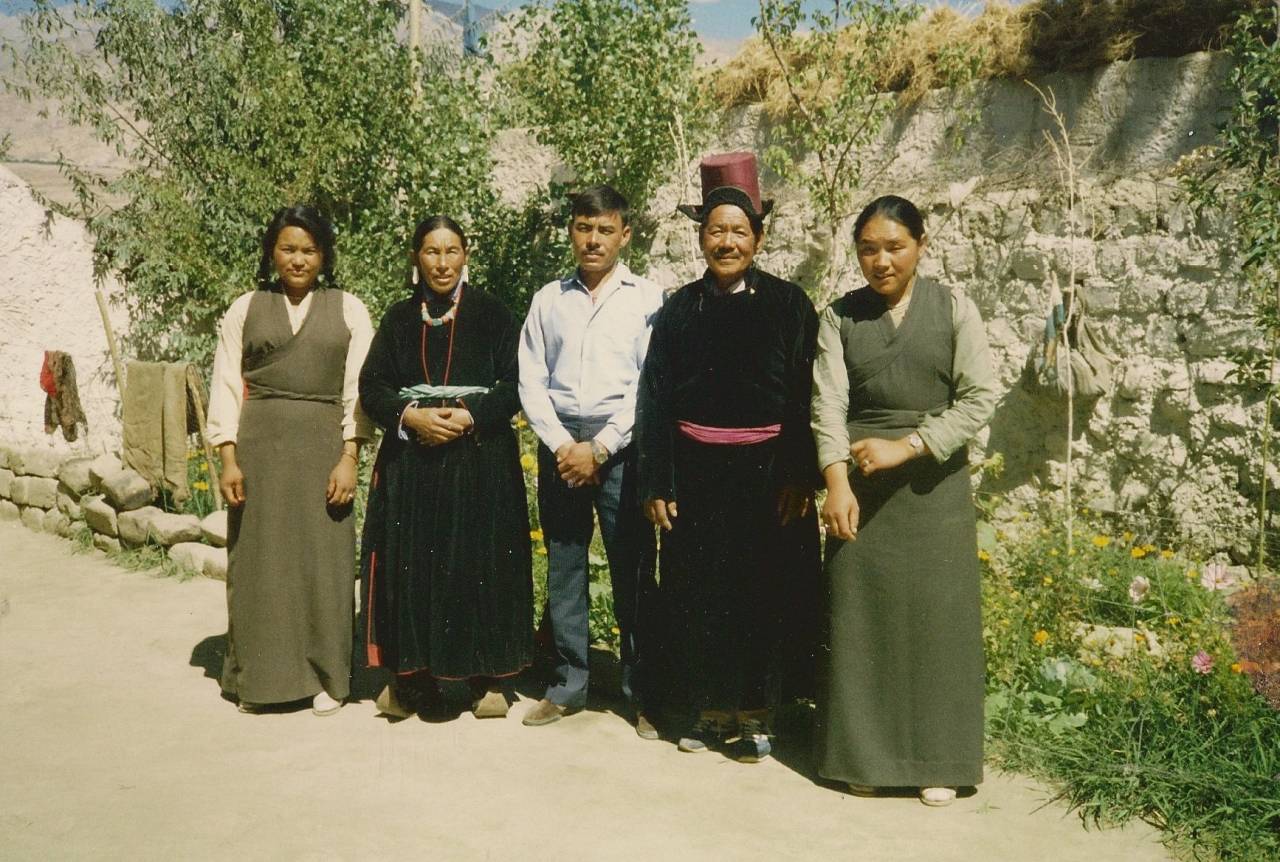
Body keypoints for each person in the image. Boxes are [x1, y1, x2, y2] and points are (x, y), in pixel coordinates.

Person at [811, 194, 998, 806]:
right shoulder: (840, 318)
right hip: (860, 490)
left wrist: (910, 445)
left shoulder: (954, 309)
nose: (881, 261)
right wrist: (836, 482)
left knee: (938, 625)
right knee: (863, 621)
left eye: (895, 246)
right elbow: (827, 406)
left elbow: (978, 399)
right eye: (868, 249)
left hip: (933, 485)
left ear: (920, 245)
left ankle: (939, 760)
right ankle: (864, 758)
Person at [636, 152, 821, 763]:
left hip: (769, 479)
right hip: (696, 476)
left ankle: (756, 713)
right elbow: (655, 397)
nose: (727, 241)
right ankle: (706, 711)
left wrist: (800, 473)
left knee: (764, 597)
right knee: (697, 595)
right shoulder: (678, 310)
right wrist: (657, 480)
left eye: (739, 231)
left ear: (759, 238)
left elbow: (804, 395)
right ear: (700, 238)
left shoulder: (791, 306)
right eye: (716, 230)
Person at [358, 215, 532, 720]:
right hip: (413, 465)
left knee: (480, 566)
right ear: (416, 257)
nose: (441, 262)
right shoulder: (396, 320)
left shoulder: (495, 315)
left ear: (466, 255)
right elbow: (373, 388)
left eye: (451, 251)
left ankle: (488, 679)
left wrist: (473, 414)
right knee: (414, 569)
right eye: (431, 251)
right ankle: (413, 681)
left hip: (480, 463)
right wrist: (411, 417)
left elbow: (518, 383)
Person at [208, 204, 374, 716]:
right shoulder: (245, 307)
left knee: (323, 565)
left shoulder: (348, 308)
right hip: (259, 452)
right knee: (261, 562)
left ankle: (327, 677)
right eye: (288, 248)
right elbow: (227, 387)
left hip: (324, 449)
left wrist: (350, 456)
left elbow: (358, 391)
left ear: (323, 255)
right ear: (272, 252)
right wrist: (228, 459)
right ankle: (260, 679)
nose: (297, 259)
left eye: (308, 250)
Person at [517, 185, 664, 737]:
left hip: (621, 445)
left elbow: (648, 383)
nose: (593, 239)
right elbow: (531, 377)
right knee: (565, 563)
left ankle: (642, 692)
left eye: (605, 229)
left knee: (631, 568)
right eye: (584, 227)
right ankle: (568, 684)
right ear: (571, 232)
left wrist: (601, 446)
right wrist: (561, 445)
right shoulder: (548, 300)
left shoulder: (648, 299)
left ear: (625, 235)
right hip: (560, 445)